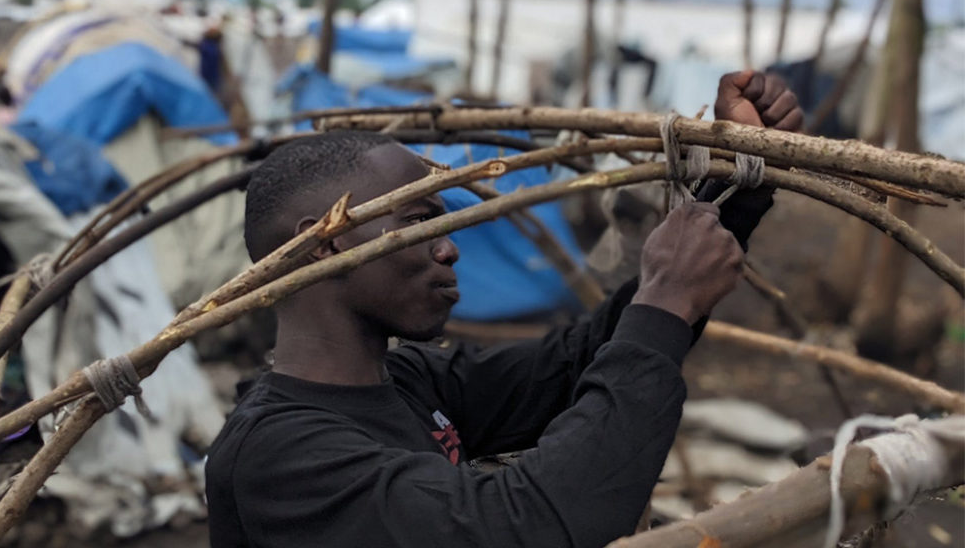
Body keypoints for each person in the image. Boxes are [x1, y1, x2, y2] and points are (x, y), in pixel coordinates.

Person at [206, 71, 803, 548]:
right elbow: (525, 525)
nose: (450, 245)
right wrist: (666, 299)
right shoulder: (279, 457)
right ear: (331, 239)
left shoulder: (409, 380)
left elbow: (572, 365)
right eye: (420, 223)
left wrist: (730, 198)